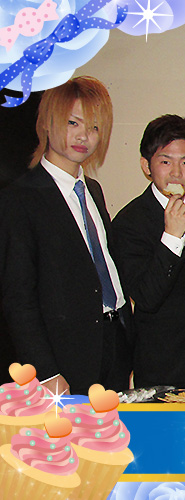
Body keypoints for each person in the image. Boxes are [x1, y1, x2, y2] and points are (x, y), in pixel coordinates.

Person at [0, 76, 131, 395]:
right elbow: (18, 297)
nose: (84, 135)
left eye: (95, 127)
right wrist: (45, 371)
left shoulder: (92, 190)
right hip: (64, 357)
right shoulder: (20, 197)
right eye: (73, 122)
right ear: (47, 122)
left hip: (114, 342)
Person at [112, 115, 185, 389]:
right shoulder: (129, 221)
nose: (176, 173)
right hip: (163, 359)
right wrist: (171, 237)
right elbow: (146, 297)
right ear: (146, 166)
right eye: (165, 162)